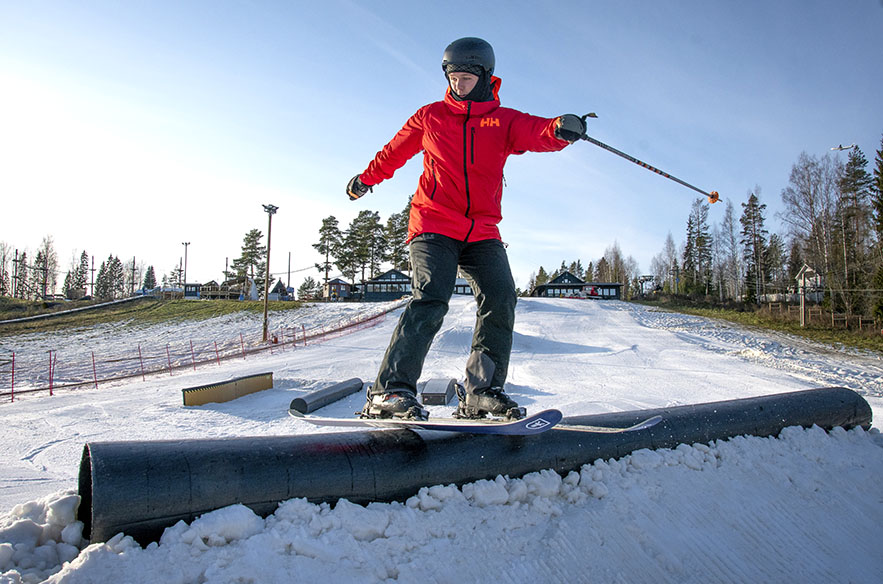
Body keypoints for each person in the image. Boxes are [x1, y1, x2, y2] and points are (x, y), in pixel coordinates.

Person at [346, 37, 587, 421]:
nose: (457, 85)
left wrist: (560, 128)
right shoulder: (431, 116)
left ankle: (482, 391)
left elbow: (536, 131)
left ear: (485, 76)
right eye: (452, 77)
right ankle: (390, 391)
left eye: (465, 78)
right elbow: (394, 151)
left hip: (482, 230)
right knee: (431, 297)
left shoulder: (502, 120)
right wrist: (366, 179)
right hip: (434, 222)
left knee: (501, 295)